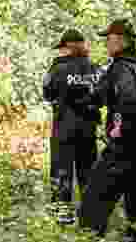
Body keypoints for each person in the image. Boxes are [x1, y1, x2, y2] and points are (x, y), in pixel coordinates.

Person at [77, 19, 136, 242]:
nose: (106, 42)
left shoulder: (119, 68)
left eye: (110, 37)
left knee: (91, 209)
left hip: (123, 152)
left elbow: (121, 98)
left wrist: (116, 127)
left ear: (123, 40)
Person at [43, 29, 101, 226]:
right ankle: (90, 221)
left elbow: (48, 92)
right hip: (88, 130)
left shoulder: (58, 69)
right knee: (88, 175)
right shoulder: (95, 69)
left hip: (64, 128)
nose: (59, 52)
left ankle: (62, 219)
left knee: (61, 172)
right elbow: (103, 97)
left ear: (68, 47)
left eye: (61, 48)